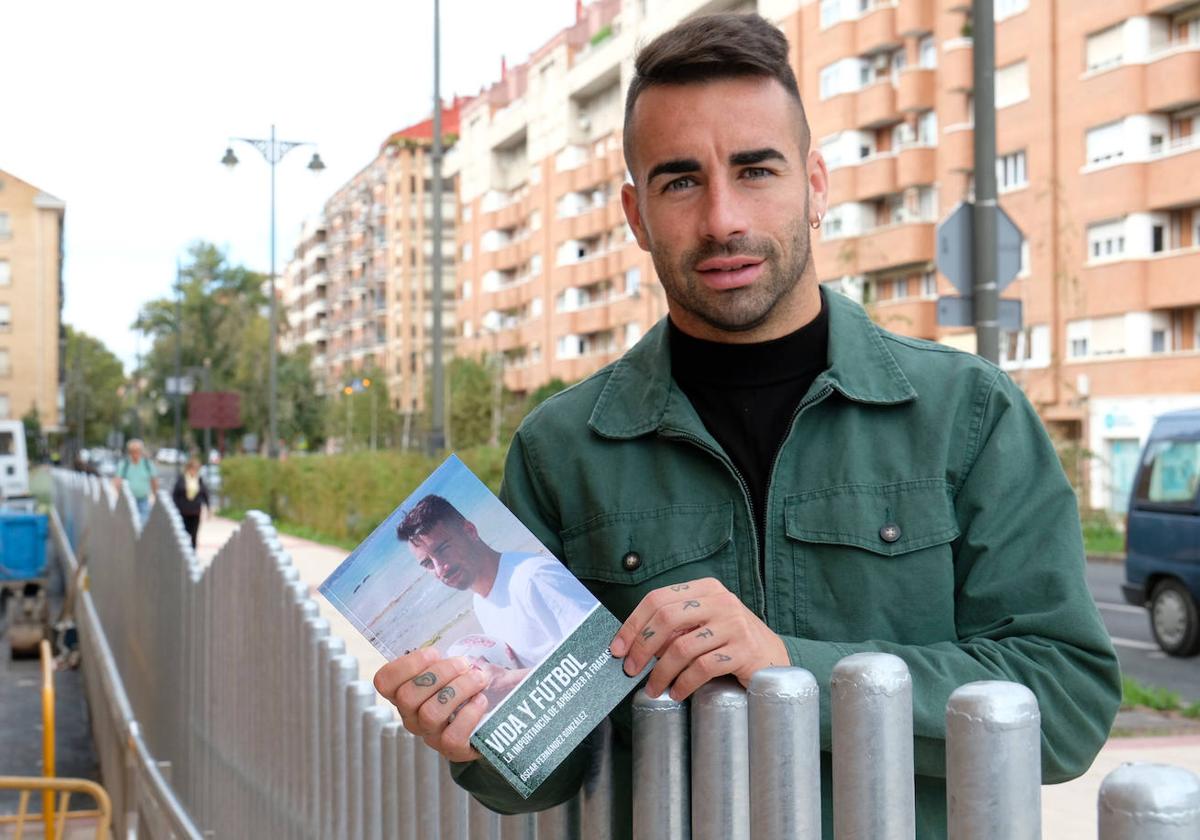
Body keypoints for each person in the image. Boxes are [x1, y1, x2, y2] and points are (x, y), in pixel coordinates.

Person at [373, 14, 1120, 838]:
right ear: (634, 212)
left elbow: (1067, 701)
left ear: (816, 184)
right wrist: (477, 736)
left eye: (756, 169)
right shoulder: (562, 449)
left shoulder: (967, 414)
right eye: (681, 180)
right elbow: (545, 776)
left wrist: (793, 670)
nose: (723, 217)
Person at [393, 494, 595, 702]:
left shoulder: (534, 578)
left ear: (470, 531)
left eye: (443, 549)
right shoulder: (480, 602)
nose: (440, 568)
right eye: (427, 563)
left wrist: (510, 681)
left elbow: (601, 649)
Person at [113, 439, 157, 524]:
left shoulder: (147, 464)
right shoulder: (124, 464)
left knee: (143, 523)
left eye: (137, 451)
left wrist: (154, 495)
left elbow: (154, 480)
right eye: (132, 451)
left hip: (143, 500)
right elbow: (117, 480)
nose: (135, 453)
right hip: (128, 501)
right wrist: (118, 494)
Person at [171, 457, 210, 550]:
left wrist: (208, 507)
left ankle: (193, 552)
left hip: (195, 511)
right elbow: (175, 494)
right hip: (183, 511)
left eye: (196, 469)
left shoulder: (199, 480)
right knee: (184, 533)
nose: (194, 471)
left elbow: (205, 494)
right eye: (193, 468)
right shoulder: (182, 479)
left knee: (194, 534)